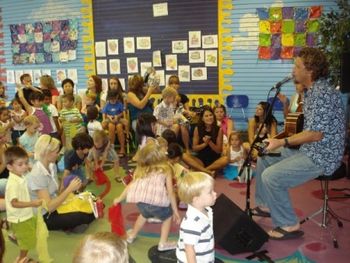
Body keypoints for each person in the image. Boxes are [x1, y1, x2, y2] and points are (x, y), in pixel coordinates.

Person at [253, 47, 346, 240]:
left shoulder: (321, 93)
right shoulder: (311, 91)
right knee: (265, 158)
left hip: (322, 157)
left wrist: (281, 142)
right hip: (310, 150)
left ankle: (288, 224)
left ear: (309, 71)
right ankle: (264, 205)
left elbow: (315, 135)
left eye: (296, 66)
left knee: (272, 177)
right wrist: (279, 143)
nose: (292, 71)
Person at [113, 141, 181, 251]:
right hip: (158, 204)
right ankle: (163, 243)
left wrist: (119, 198)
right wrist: (175, 210)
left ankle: (132, 235)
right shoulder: (166, 168)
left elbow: (130, 185)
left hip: (141, 203)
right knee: (167, 217)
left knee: (143, 215)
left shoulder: (140, 169)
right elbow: (170, 191)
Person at [28, 134, 95, 231]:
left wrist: (70, 192)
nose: (59, 154)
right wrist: (69, 190)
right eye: (56, 152)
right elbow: (49, 207)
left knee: (90, 197)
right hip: (45, 215)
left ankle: (73, 225)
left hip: (56, 203)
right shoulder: (37, 174)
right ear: (47, 153)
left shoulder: (52, 166)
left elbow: (58, 192)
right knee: (82, 215)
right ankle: (73, 224)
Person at [4, 146, 42, 263]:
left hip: (23, 215)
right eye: (20, 164)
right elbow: (14, 203)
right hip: (20, 217)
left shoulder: (19, 175)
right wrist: (32, 203)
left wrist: (28, 168)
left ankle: (16, 235)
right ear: (10, 167)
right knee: (27, 242)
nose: (25, 166)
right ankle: (21, 259)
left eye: (26, 163)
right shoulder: (13, 183)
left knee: (32, 229)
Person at [176, 172, 217, 263]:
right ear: (196, 199)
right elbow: (189, 249)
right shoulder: (193, 223)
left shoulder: (206, 210)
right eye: (210, 192)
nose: (215, 194)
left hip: (204, 257)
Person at [183, 107, 228, 174]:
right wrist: (205, 144)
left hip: (214, 160)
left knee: (226, 159)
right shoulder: (197, 129)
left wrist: (209, 142)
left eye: (211, 115)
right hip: (200, 160)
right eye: (206, 116)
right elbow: (194, 148)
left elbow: (219, 151)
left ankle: (204, 170)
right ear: (202, 119)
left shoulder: (219, 130)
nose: (209, 117)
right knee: (184, 155)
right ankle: (208, 172)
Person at [101, 89, 128, 157]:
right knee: (111, 126)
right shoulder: (107, 104)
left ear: (117, 97)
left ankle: (122, 148)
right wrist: (109, 117)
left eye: (114, 99)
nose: (112, 101)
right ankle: (111, 148)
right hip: (110, 121)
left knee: (119, 127)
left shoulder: (119, 104)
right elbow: (104, 113)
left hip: (118, 120)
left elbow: (123, 112)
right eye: (111, 99)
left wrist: (117, 116)